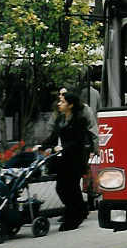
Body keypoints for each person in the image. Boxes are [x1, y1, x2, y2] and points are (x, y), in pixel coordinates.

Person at [39, 90, 98, 231]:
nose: (59, 104)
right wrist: (43, 146)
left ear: (70, 105)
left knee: (71, 188)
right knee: (62, 188)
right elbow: (53, 136)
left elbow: (78, 141)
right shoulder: (60, 120)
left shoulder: (79, 120)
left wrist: (62, 147)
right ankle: (78, 211)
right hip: (64, 160)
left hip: (76, 159)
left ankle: (75, 216)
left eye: (62, 102)